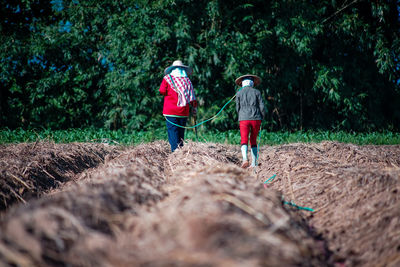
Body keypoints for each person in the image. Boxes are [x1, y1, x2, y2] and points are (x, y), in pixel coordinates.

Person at [159, 60, 197, 152]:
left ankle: (175, 152)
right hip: (183, 112)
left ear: (172, 69)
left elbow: (162, 91)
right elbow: (192, 97)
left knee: (173, 132)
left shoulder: (167, 79)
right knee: (180, 132)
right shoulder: (187, 80)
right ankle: (181, 151)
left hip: (170, 111)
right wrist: (194, 108)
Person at [235, 74, 266, 168]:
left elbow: (237, 108)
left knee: (244, 139)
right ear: (252, 83)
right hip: (256, 119)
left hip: (243, 118)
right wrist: (263, 116)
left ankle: (245, 159)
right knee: (253, 140)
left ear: (243, 83)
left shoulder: (239, 93)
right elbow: (262, 107)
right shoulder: (257, 92)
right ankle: (254, 163)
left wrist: (241, 115)